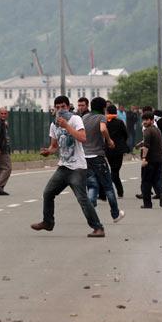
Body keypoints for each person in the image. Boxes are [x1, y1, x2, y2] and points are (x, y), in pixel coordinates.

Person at [31, 96, 107, 238]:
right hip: (64, 166)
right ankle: (48, 222)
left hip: (77, 167)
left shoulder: (75, 119)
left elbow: (83, 138)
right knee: (48, 193)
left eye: (63, 107)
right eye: (57, 107)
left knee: (82, 199)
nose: (60, 110)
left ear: (68, 107)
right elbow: (54, 146)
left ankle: (98, 228)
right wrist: (48, 152)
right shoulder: (54, 125)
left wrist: (67, 126)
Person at [82, 97, 124, 222]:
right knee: (108, 186)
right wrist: (109, 141)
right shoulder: (101, 117)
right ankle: (115, 214)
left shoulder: (84, 118)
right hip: (98, 156)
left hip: (85, 156)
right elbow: (103, 129)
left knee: (92, 185)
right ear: (103, 108)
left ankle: (90, 210)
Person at [140, 111, 162, 208]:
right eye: (143, 120)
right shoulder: (157, 130)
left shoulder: (147, 131)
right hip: (159, 159)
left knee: (146, 182)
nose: (144, 122)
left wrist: (144, 158)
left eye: (147, 120)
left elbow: (146, 146)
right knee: (155, 179)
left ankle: (147, 204)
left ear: (152, 120)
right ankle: (161, 192)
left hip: (150, 160)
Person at [105, 104, 129, 198]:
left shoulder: (105, 123)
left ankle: (116, 191)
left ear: (107, 112)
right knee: (115, 171)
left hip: (108, 149)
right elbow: (126, 135)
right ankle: (118, 191)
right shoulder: (120, 122)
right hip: (119, 150)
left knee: (113, 170)